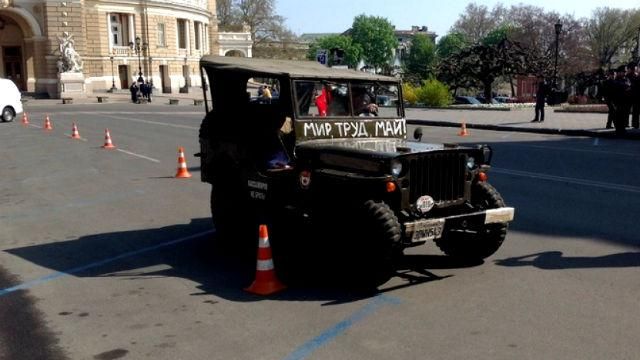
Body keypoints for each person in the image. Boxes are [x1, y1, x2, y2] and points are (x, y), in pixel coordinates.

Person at [612, 65, 631, 136]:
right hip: (618, 101)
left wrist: (625, 87)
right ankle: (618, 130)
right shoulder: (616, 80)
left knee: (624, 115)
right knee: (618, 116)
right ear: (619, 72)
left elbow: (629, 86)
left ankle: (622, 129)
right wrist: (625, 87)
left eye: (625, 71)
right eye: (624, 71)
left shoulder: (626, 79)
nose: (625, 73)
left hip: (625, 101)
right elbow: (620, 87)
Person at [627, 62, 639, 129]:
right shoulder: (631, 76)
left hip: (633, 96)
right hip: (632, 95)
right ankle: (635, 124)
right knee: (633, 111)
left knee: (634, 111)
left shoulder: (634, 76)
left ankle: (634, 124)